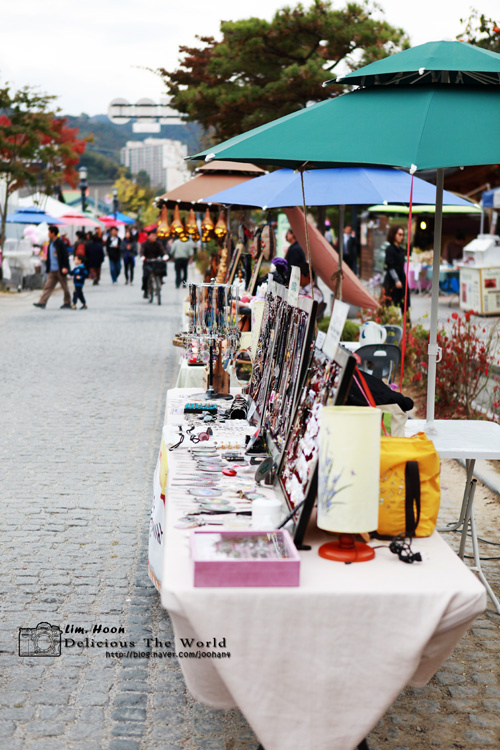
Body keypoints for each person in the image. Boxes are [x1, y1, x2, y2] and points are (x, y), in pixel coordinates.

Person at [33, 225, 72, 309]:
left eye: (49, 232)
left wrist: (65, 267)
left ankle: (67, 302)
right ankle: (42, 302)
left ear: (53, 233)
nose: (48, 234)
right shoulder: (50, 243)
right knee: (48, 286)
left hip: (60, 269)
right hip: (52, 269)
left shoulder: (60, 243)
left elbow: (65, 256)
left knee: (64, 287)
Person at [383, 225, 409, 314]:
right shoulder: (389, 249)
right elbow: (390, 266)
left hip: (402, 277)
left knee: (405, 303)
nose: (401, 237)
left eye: (403, 235)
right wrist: (396, 280)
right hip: (392, 280)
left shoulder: (401, 250)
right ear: (394, 234)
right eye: (399, 234)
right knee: (390, 304)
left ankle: (407, 326)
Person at [140, 230, 164, 298]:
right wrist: (142, 257)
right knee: (145, 277)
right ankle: (145, 290)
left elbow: (162, 251)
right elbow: (141, 252)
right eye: (152, 235)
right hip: (147, 262)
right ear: (148, 236)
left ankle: (160, 282)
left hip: (156, 262)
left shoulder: (158, 244)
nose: (154, 237)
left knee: (162, 269)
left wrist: (165, 256)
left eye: (155, 235)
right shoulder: (144, 244)